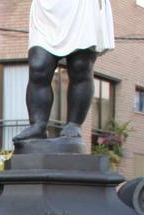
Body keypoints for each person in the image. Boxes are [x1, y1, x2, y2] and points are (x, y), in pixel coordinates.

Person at [13, 0, 115, 143]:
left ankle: (74, 124)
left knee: (80, 66)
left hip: (81, 6)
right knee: (39, 66)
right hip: (47, 7)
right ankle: (37, 125)